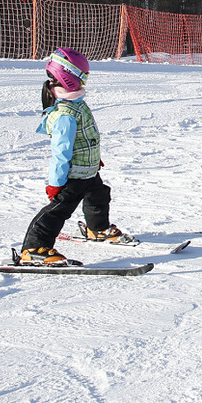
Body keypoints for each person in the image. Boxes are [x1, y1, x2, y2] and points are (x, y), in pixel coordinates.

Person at [19, 49, 129, 266]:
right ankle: (33, 248)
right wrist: (56, 183)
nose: (83, 83)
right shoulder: (65, 115)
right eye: (81, 78)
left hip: (87, 171)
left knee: (99, 197)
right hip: (73, 176)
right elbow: (61, 153)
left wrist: (93, 159)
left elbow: (84, 138)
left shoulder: (76, 102)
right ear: (68, 77)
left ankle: (96, 229)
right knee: (58, 211)